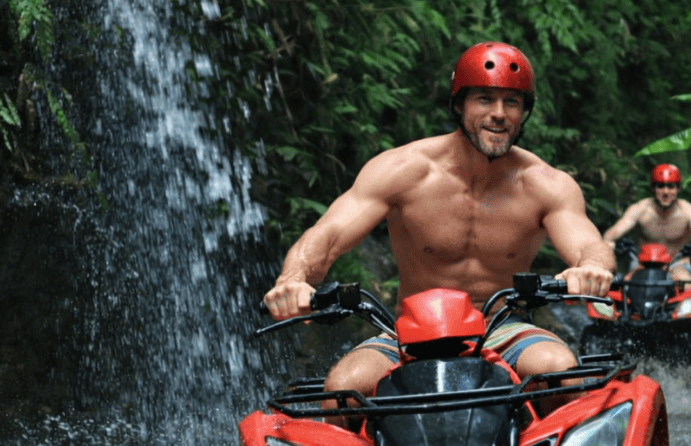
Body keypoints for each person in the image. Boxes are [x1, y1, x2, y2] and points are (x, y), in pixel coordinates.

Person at [263, 41, 615, 402]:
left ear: (524, 111)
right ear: (459, 104)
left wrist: (590, 268)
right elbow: (327, 235)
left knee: (560, 370)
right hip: (410, 332)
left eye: (511, 102)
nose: (499, 114)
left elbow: (590, 245)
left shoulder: (546, 184)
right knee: (343, 390)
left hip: (503, 329)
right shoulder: (403, 170)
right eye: (484, 99)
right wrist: (293, 280)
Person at [601, 163, 691, 282]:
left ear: (678, 188)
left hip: (677, 263)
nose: (666, 192)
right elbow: (614, 232)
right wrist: (609, 243)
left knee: (685, 281)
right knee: (625, 284)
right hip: (643, 264)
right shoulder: (640, 210)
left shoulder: (689, 212)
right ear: (653, 188)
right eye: (661, 186)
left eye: (671, 187)